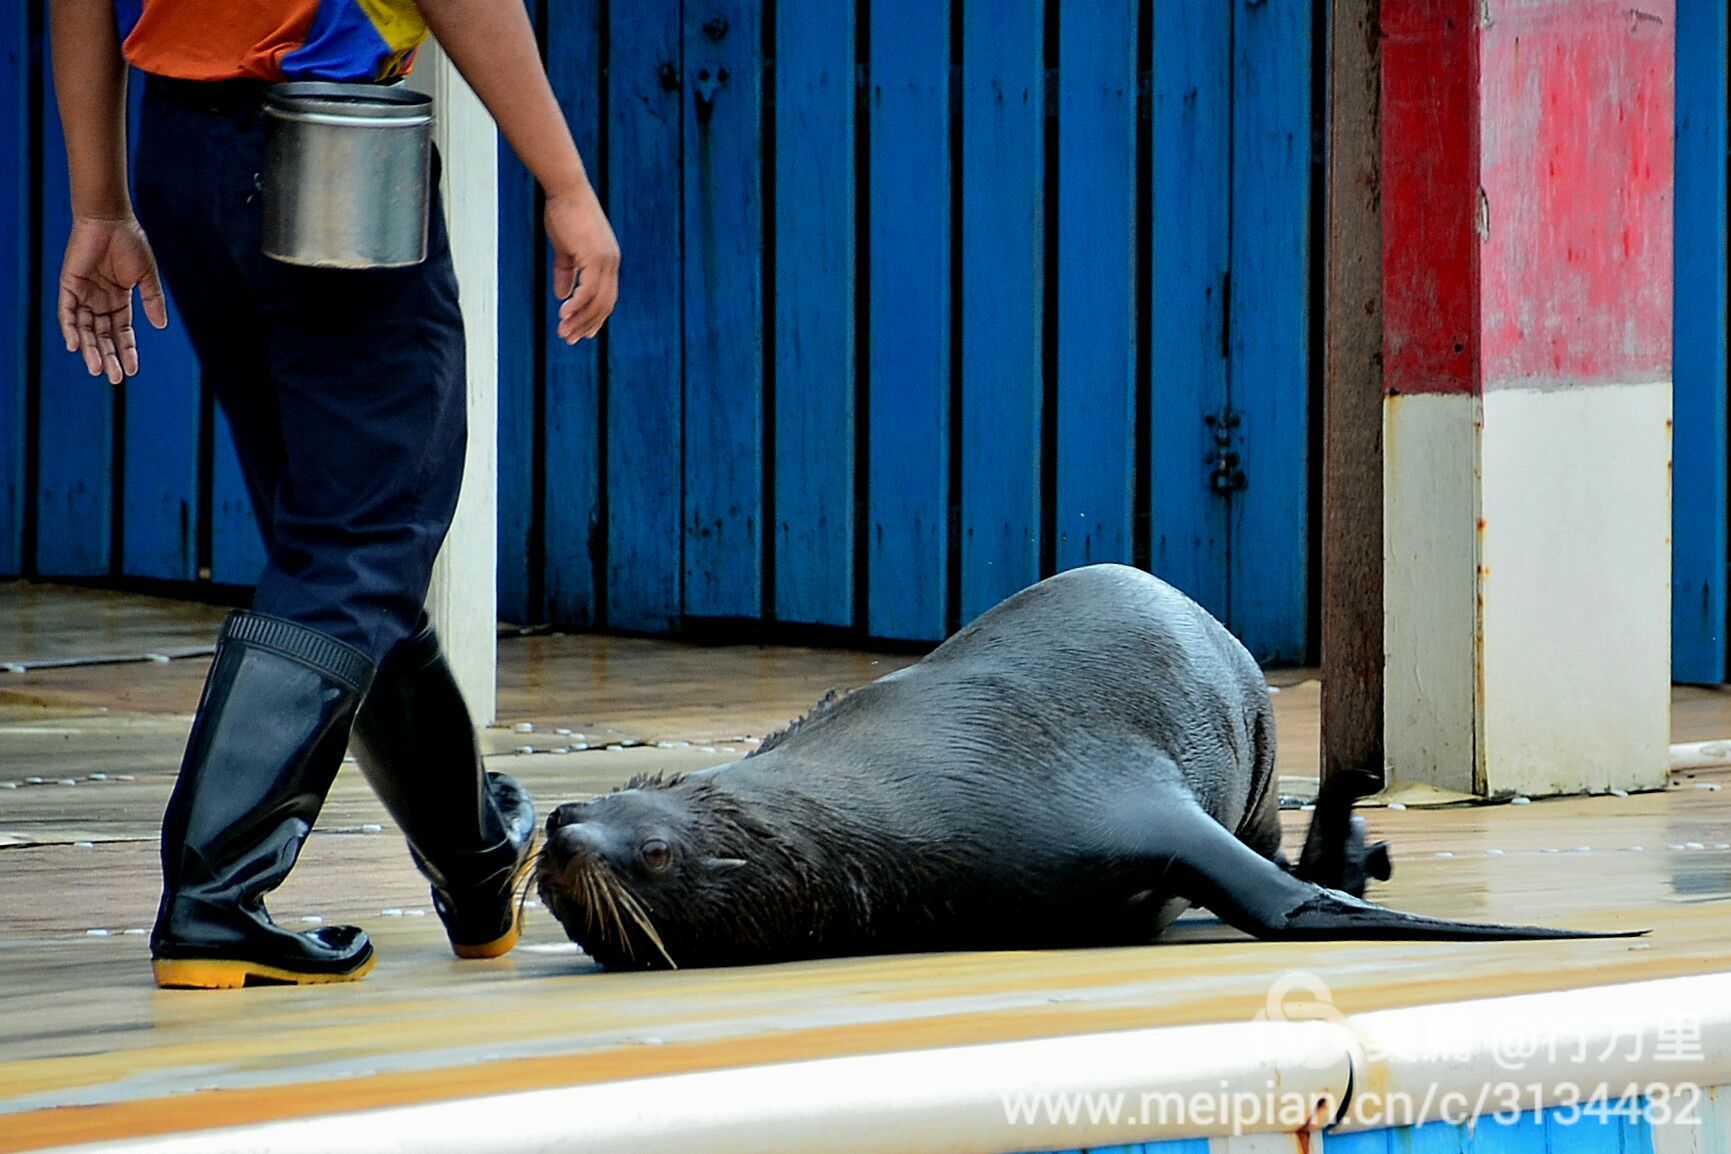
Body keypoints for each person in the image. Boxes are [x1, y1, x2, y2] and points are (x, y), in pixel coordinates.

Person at [50, 0, 619, 989]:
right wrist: (566, 183)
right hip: (325, 149)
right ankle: (212, 896)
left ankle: (479, 861)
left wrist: (100, 202)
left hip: (177, 153)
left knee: (334, 552)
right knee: (359, 541)